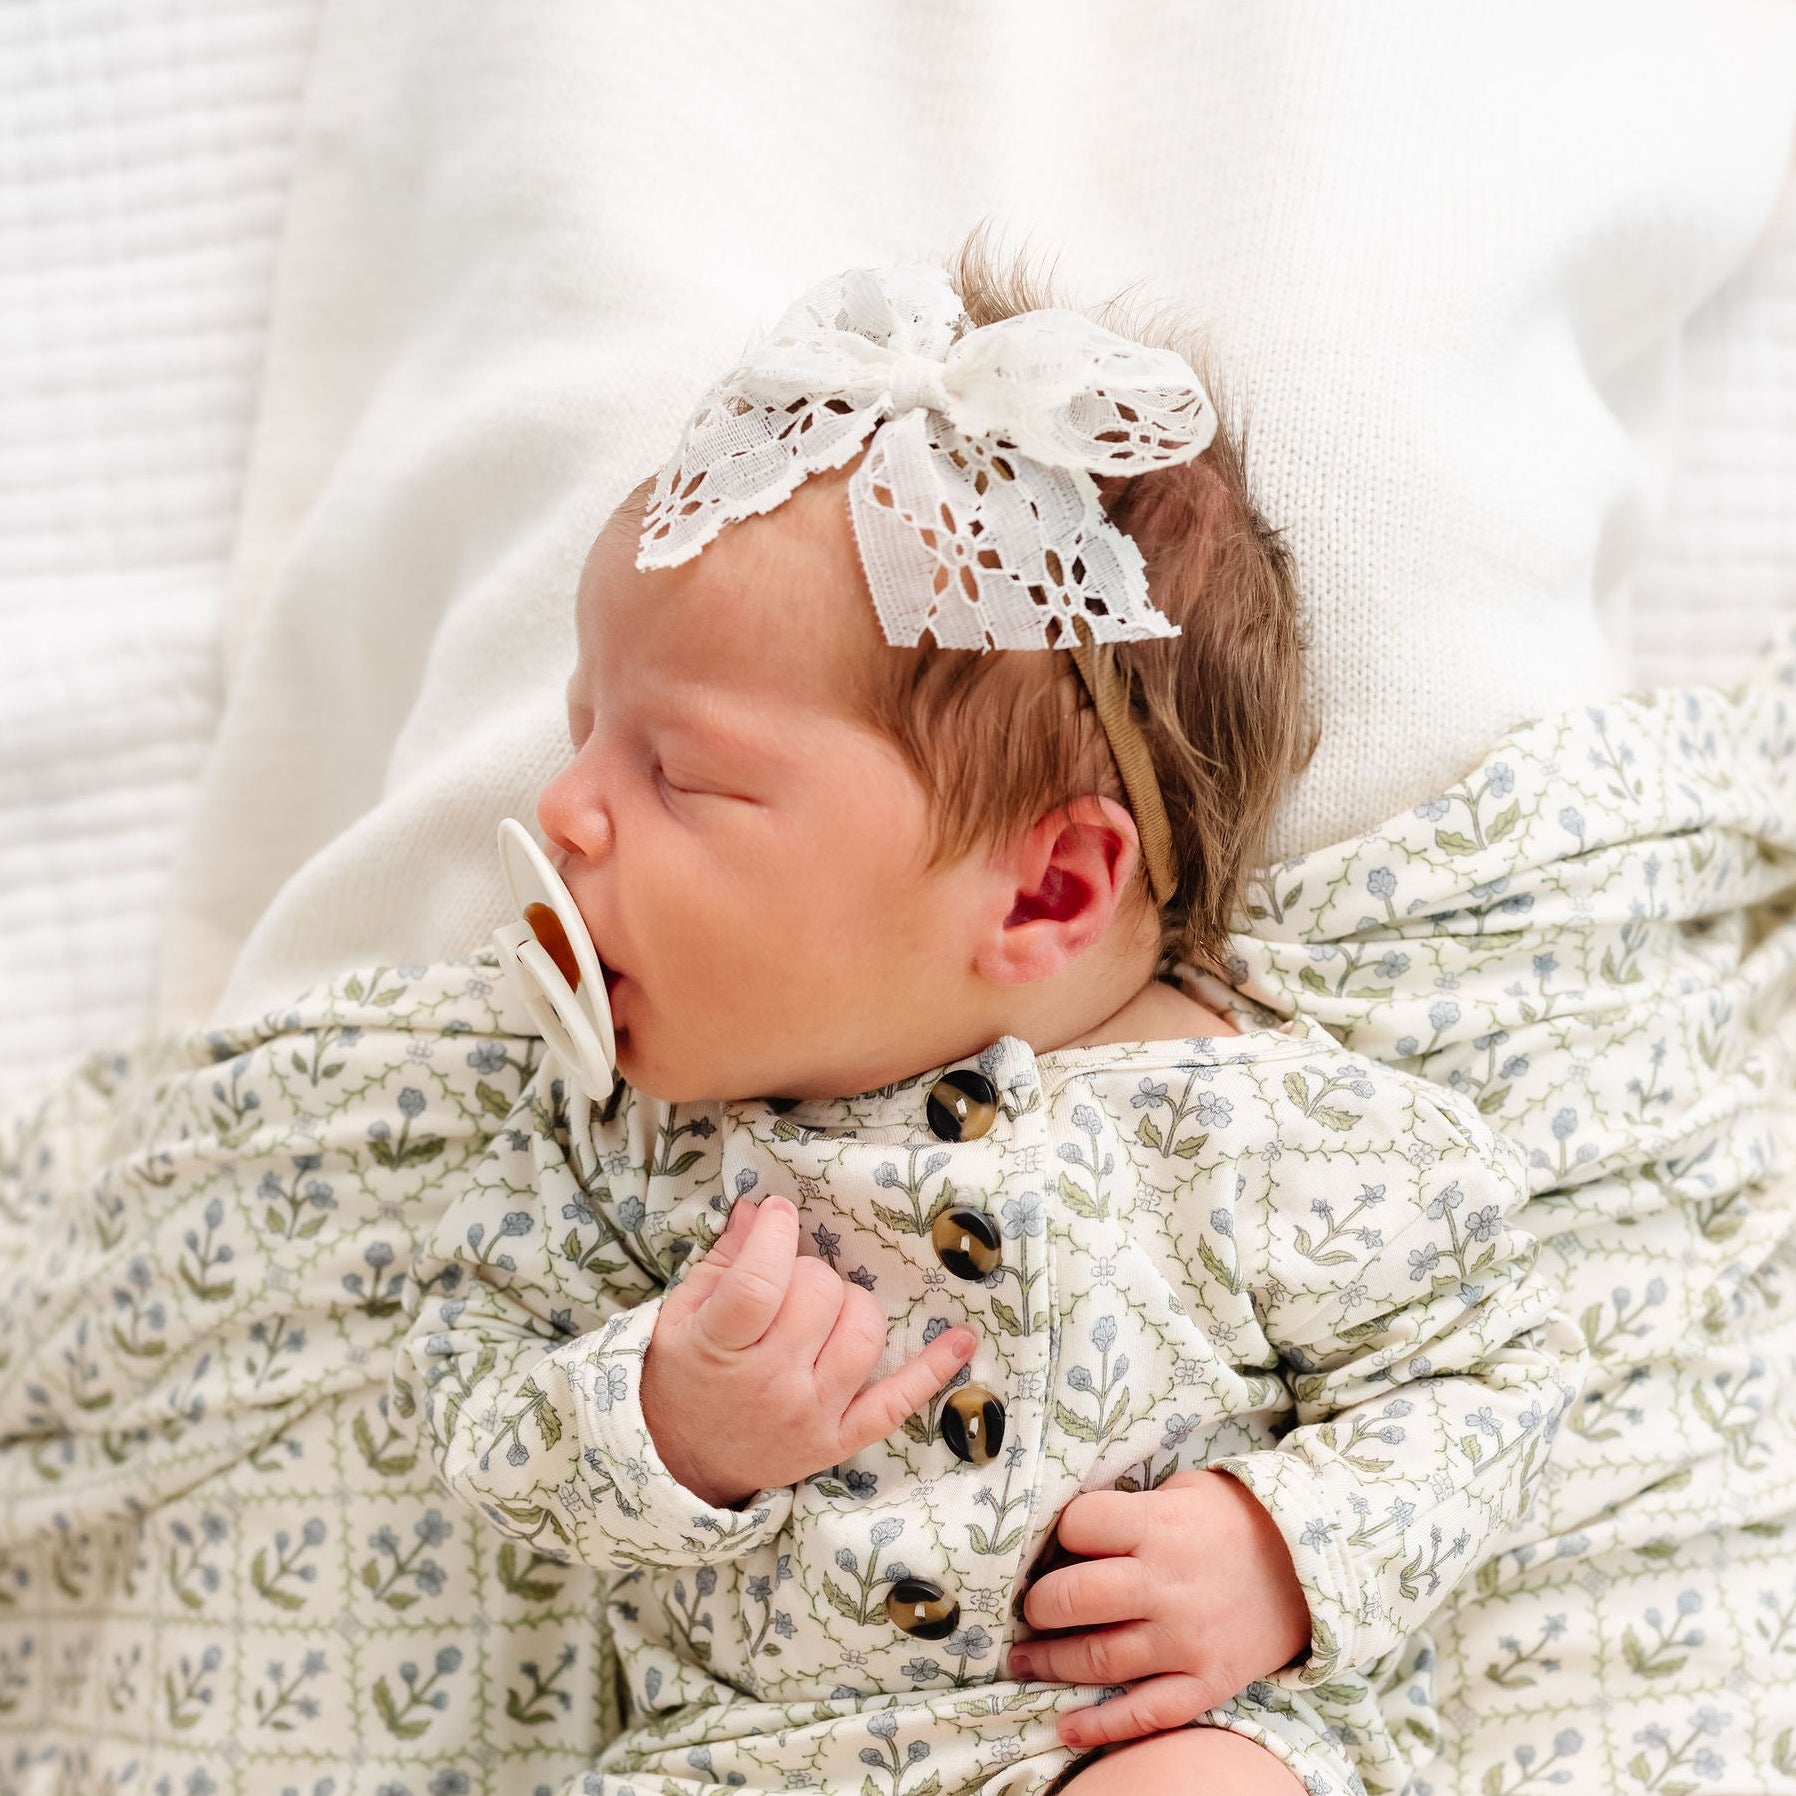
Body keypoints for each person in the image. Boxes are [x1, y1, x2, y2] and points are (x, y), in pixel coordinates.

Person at [397, 250, 1584, 1796]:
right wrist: (666, 1419)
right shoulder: (620, 1137)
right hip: (740, 1758)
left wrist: (1277, 1551)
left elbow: (1501, 1366)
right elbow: (476, 1404)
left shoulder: (1267, 1125)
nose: (563, 807)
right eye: (581, 733)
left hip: (1123, 1736)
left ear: (1048, 891)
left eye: (678, 773)